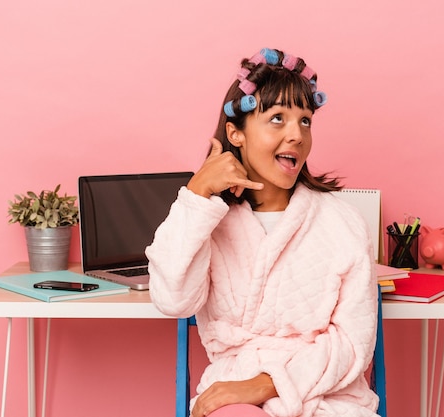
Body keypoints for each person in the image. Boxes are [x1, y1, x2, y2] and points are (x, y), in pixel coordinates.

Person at [145, 48, 379, 417]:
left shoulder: (341, 222)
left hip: (324, 396)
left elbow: (354, 343)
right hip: (234, 394)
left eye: (305, 121)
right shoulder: (209, 219)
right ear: (236, 134)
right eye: (277, 119)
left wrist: (270, 383)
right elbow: (173, 300)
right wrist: (196, 195)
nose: (297, 135)